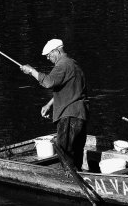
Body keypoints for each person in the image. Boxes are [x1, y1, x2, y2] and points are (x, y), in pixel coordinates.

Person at [20, 38, 88, 170]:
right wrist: (49, 105)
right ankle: (78, 176)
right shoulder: (74, 64)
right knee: (76, 151)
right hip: (80, 115)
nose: (48, 58)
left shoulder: (63, 65)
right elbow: (71, 90)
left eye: (49, 55)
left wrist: (31, 71)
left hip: (69, 116)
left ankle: (70, 181)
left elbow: (49, 82)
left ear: (57, 51)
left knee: (65, 152)